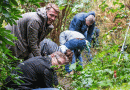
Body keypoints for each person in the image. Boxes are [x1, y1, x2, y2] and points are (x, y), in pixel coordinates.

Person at [1, 52, 70, 90]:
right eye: (58, 62)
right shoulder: (46, 67)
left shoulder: (42, 59)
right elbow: (48, 87)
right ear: (52, 56)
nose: (58, 66)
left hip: (11, 86)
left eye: (61, 65)